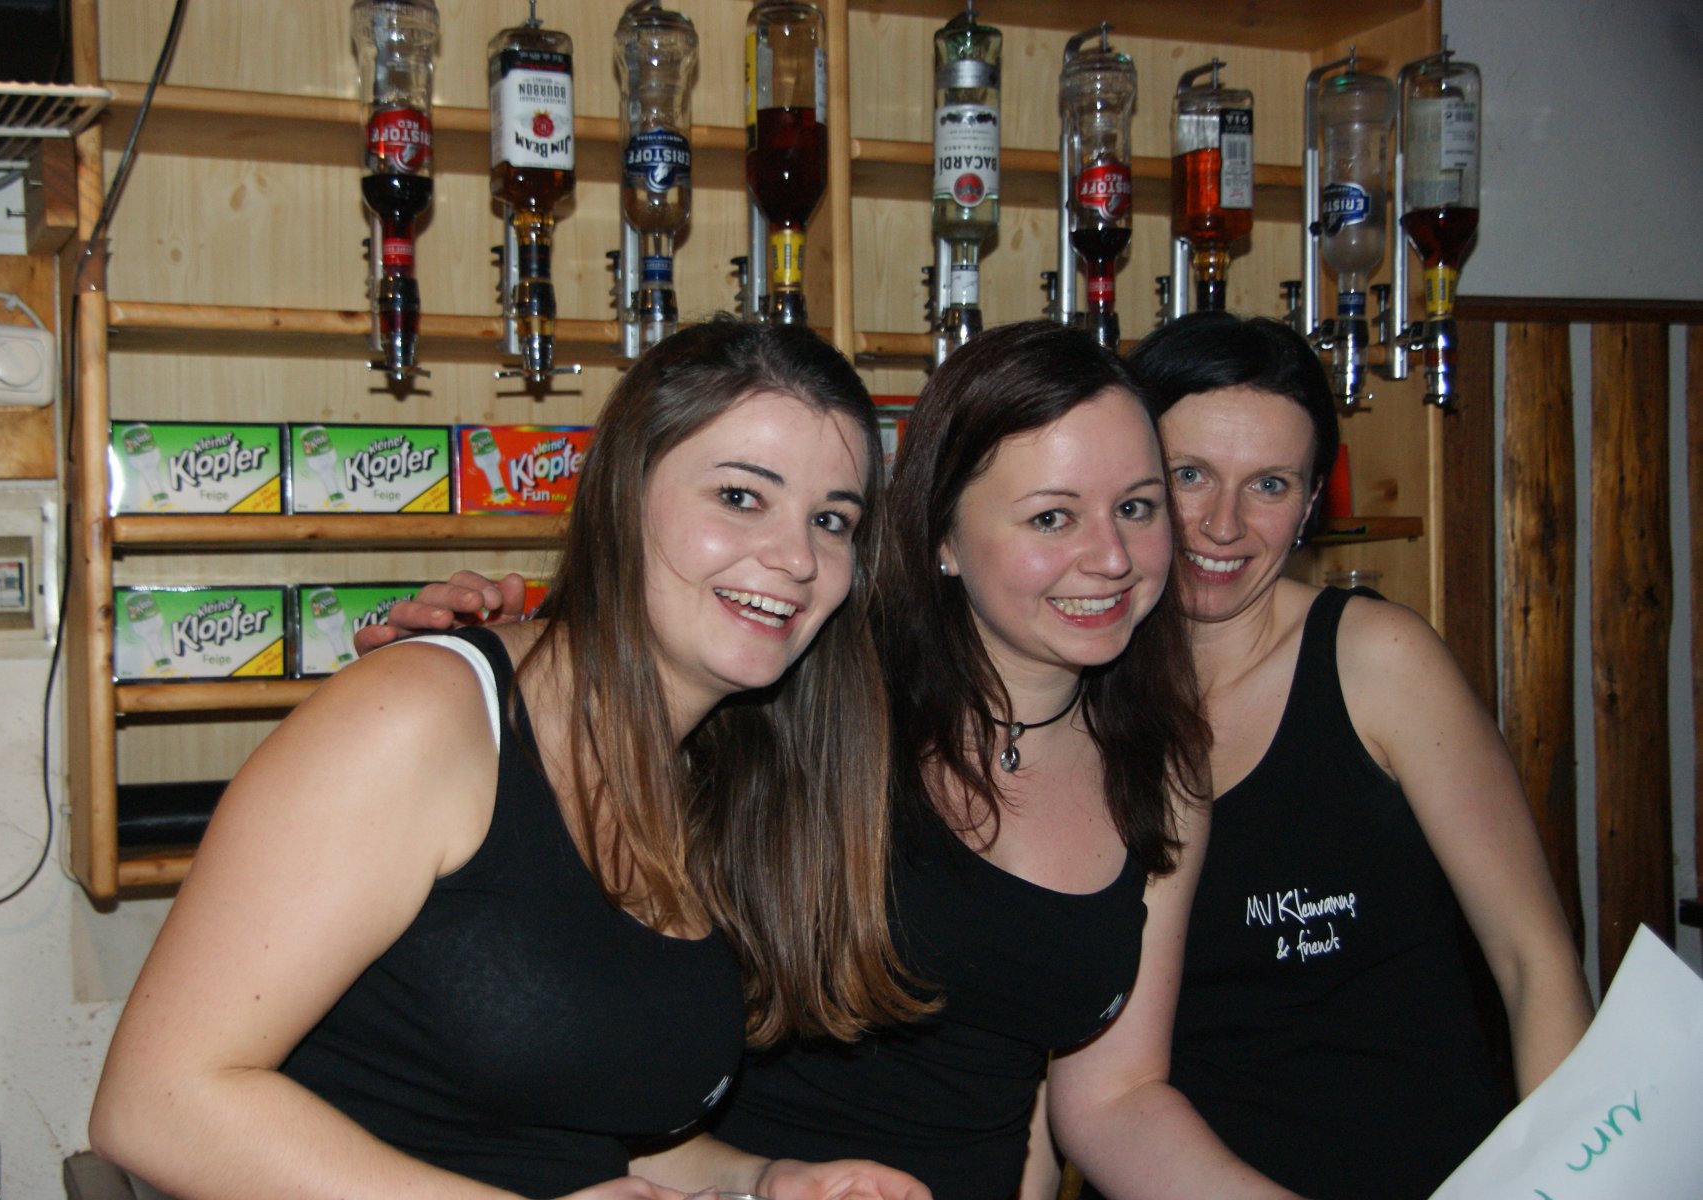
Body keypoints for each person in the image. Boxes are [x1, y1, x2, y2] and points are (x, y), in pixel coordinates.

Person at [365, 322, 1317, 1200]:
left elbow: (1108, 1097)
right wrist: (485, 663)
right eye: (1051, 517)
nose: (1110, 556)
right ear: (939, 537)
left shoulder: (1159, 769)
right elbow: (573, 738)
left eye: (1137, 507)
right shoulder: (797, 695)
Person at [88, 318, 935, 1200]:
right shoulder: (420, 714)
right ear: (621, 493)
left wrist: (764, 1180)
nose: (796, 558)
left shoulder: (709, 773)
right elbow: (157, 1106)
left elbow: (559, 1127)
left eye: (831, 520)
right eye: (739, 496)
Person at [1094, 310, 1594, 1200]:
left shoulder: (1377, 661)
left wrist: (1566, 1185)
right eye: (1187, 475)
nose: (1221, 524)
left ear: (1310, 503)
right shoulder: (1077, 693)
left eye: (1269, 484)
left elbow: (1534, 962)